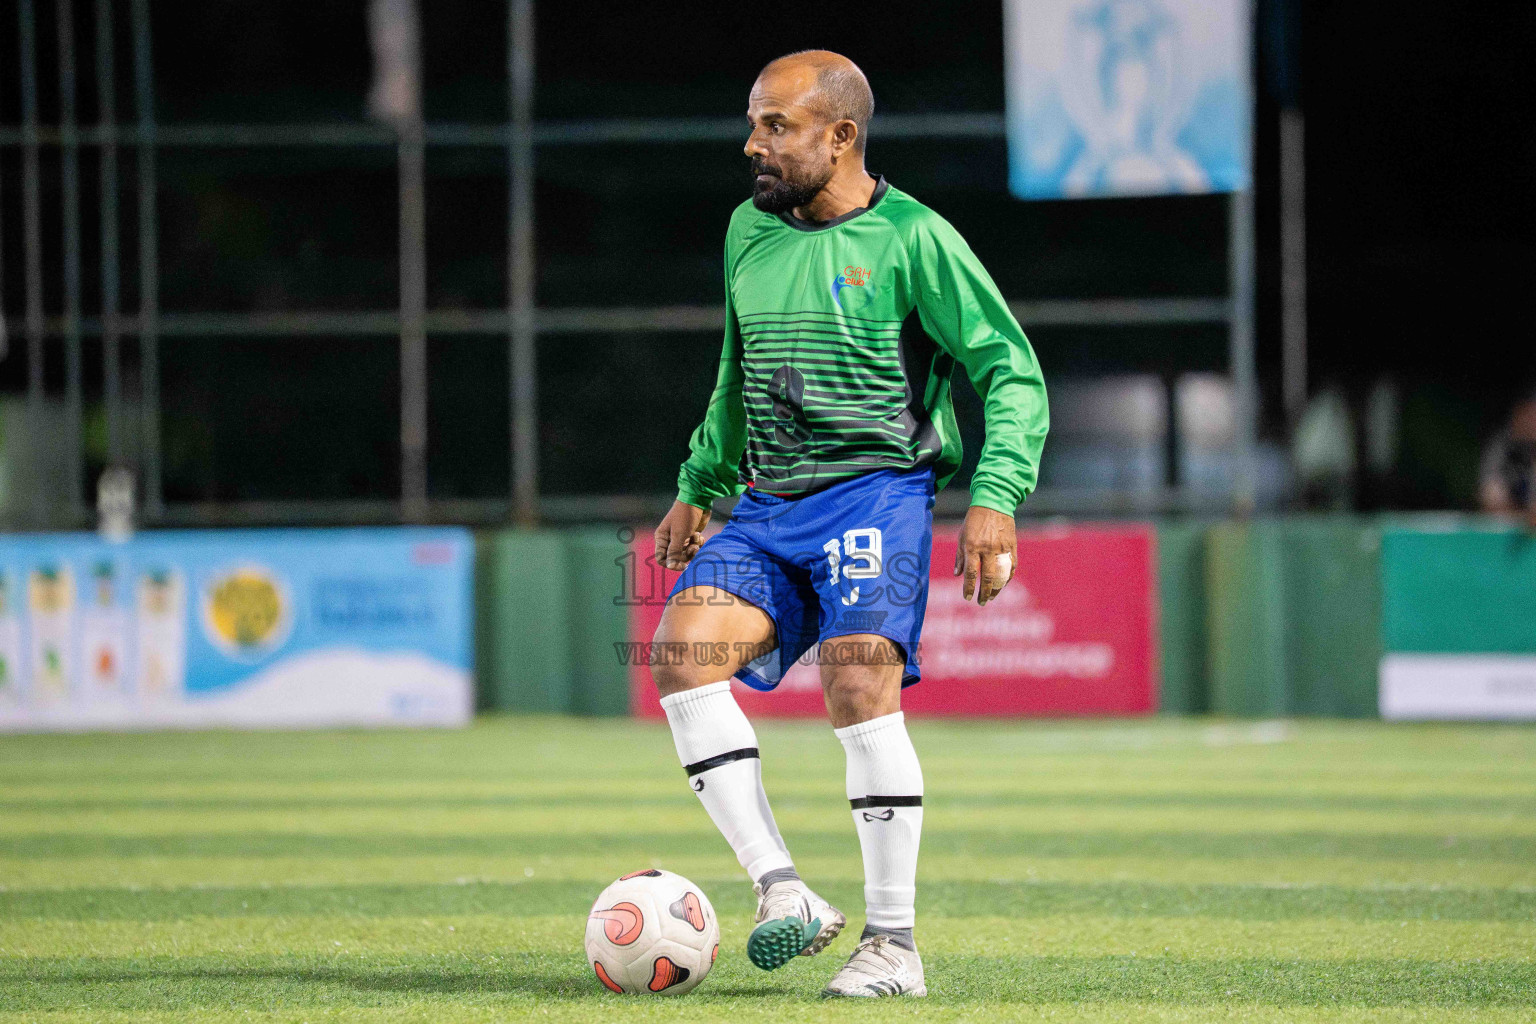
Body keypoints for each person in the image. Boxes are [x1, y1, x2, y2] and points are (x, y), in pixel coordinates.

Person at [649, 50, 1048, 999]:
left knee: (858, 678)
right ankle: (782, 891)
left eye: (775, 126)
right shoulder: (748, 230)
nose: (753, 144)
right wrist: (700, 481)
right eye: (754, 122)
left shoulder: (916, 239)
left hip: (875, 493)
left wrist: (996, 494)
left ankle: (894, 947)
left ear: (841, 137)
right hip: (770, 502)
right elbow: (737, 369)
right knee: (682, 654)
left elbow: (1010, 370)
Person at [1479, 389, 1536, 531]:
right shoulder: (1502, 447)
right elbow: (1491, 498)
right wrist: (1523, 516)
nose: (1529, 421)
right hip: (1509, 528)